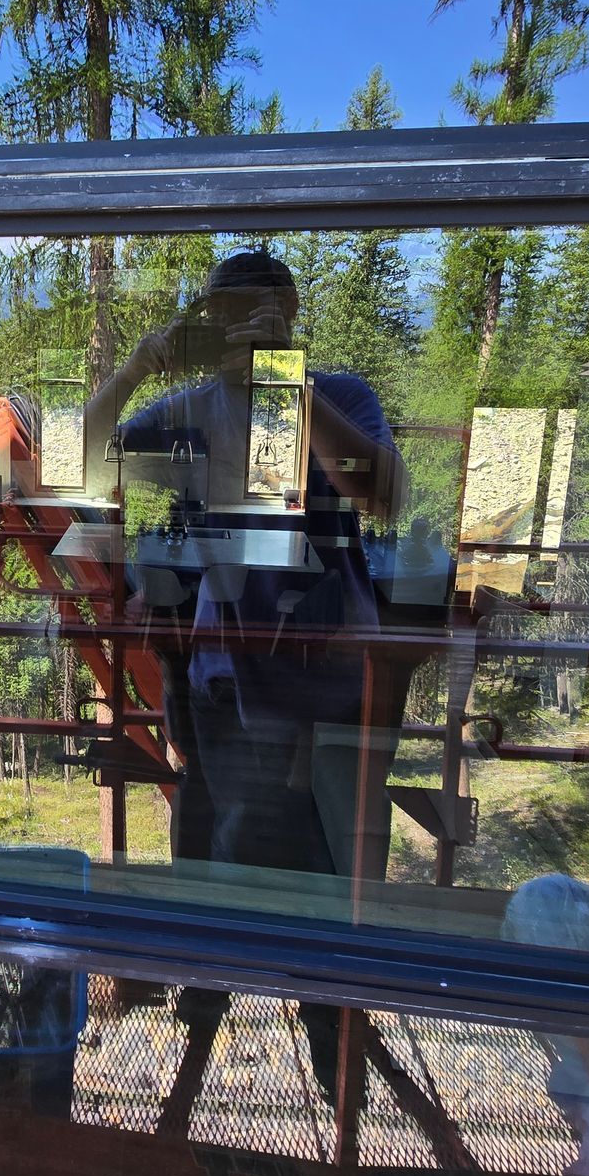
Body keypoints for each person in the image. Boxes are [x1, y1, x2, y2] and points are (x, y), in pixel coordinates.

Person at [84, 245, 407, 880]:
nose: (233, 331)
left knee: (327, 851)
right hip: (224, 670)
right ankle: (221, 965)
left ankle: (298, 968)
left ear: (287, 312)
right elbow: (82, 462)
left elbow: (386, 499)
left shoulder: (337, 395)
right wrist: (140, 365)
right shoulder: (193, 408)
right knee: (227, 837)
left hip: (324, 674)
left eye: (248, 313)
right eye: (220, 315)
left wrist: (293, 383)